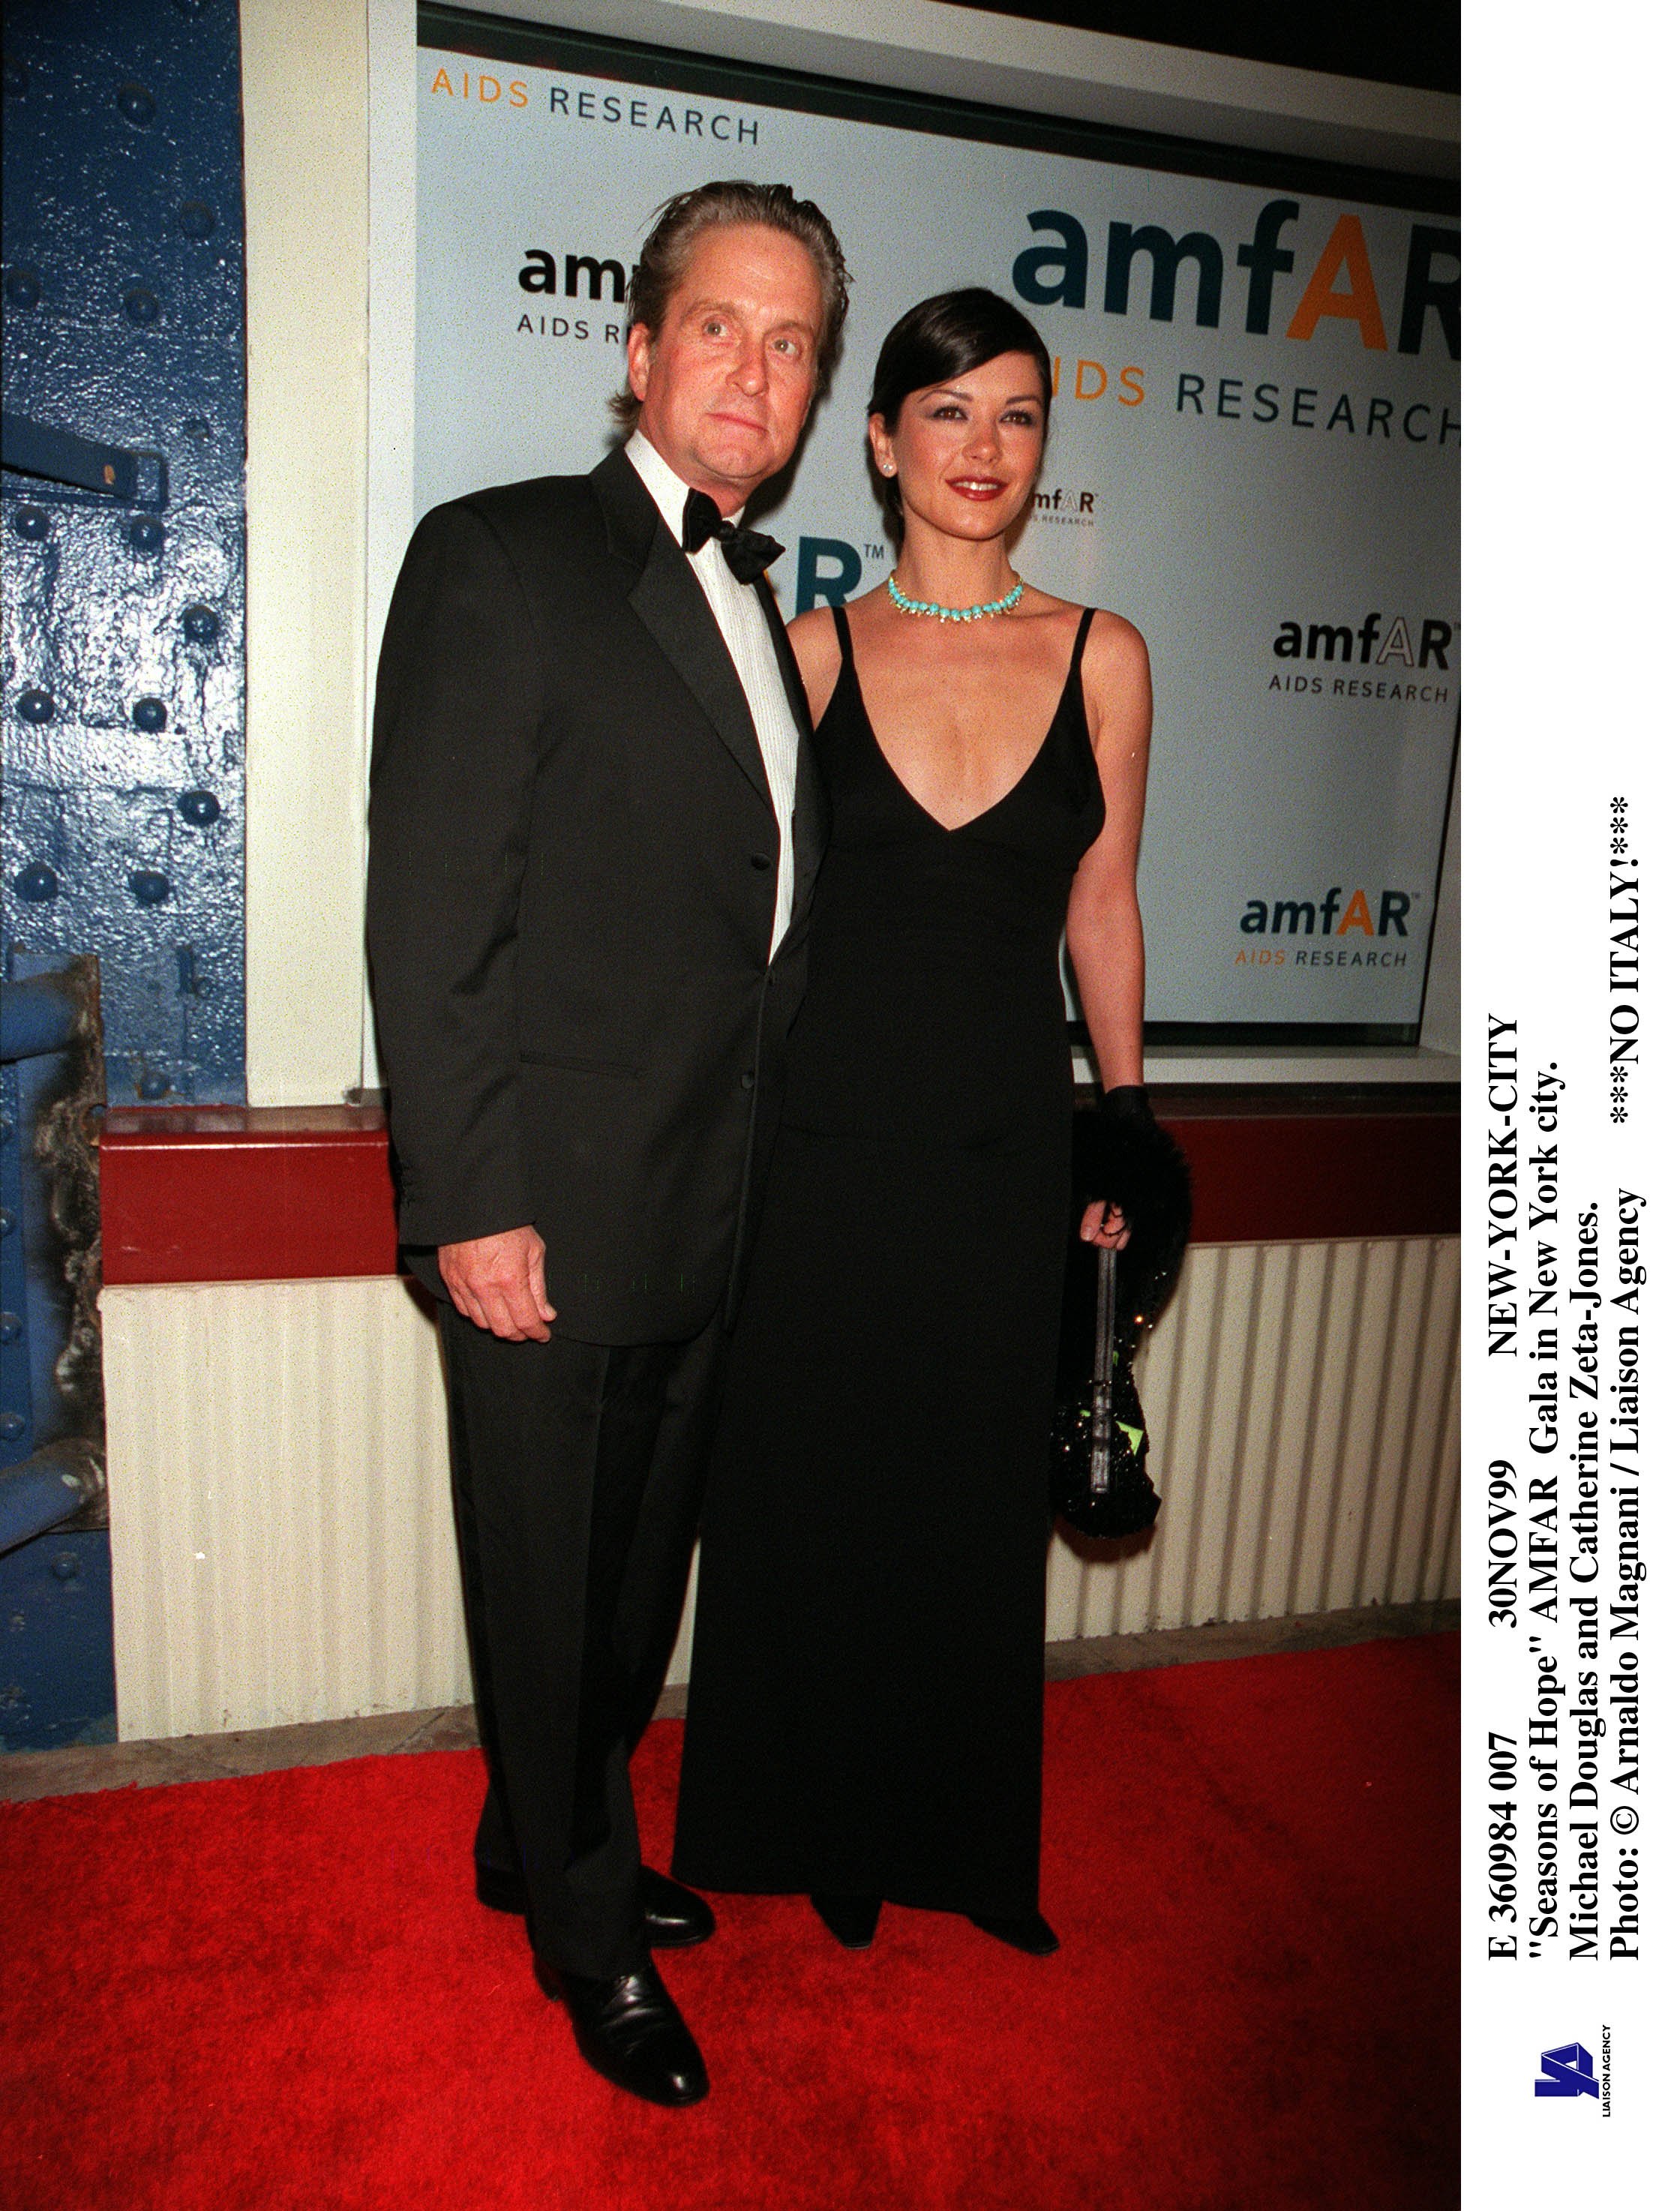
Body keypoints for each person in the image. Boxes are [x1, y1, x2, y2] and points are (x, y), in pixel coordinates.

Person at [365, 181, 849, 2106]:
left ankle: (537, 1833)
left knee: (637, 1581)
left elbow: (757, 920)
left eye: (792, 339)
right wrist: (470, 1199)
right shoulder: (497, 561)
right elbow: (433, 915)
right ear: (640, 350)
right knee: (551, 1584)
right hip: (546, 1219)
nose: (755, 366)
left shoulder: (764, 606)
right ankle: (580, 1937)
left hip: (702, 1209)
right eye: (718, 325)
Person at [673, 287, 1156, 1955]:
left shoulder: (1106, 656)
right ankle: (823, 1834)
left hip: (1000, 1151)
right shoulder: (805, 654)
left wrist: (1130, 1116)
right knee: (813, 1492)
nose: (982, 448)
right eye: (946, 413)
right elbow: (746, 925)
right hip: (820, 1151)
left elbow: (1103, 902)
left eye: (1016, 416)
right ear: (878, 443)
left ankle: (957, 1837)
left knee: (962, 1504)